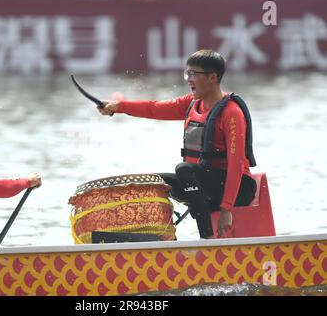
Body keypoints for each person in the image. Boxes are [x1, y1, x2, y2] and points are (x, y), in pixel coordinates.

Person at [98, 49, 257, 239]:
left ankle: (206, 240)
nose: (188, 79)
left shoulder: (232, 113)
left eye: (193, 74)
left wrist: (226, 209)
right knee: (153, 182)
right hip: (204, 183)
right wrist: (119, 106)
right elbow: (154, 108)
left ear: (213, 77)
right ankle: (164, 240)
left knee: (183, 170)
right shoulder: (190, 103)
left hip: (239, 188)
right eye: (187, 73)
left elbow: (236, 165)